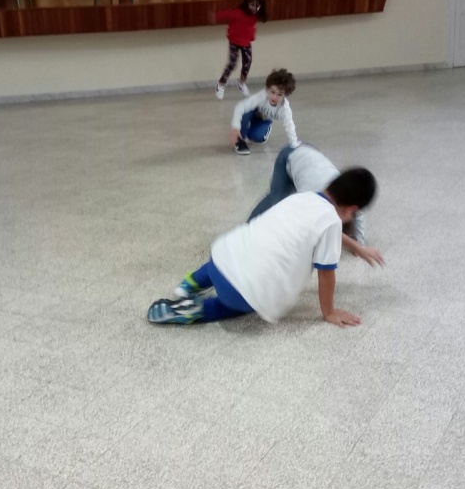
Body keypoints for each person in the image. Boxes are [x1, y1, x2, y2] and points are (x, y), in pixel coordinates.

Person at [147, 167, 377, 327]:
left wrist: (356, 247)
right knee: (249, 301)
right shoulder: (332, 223)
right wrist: (329, 312)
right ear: (352, 210)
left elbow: (323, 228)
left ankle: (191, 283)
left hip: (220, 259)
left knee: (237, 252)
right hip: (238, 292)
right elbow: (326, 274)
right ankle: (194, 310)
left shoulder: (304, 197)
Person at [249, 142, 385, 267]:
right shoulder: (312, 199)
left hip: (309, 157)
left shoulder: (348, 196)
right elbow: (322, 226)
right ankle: (249, 227)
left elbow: (356, 214)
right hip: (289, 156)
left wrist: (359, 242)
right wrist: (356, 247)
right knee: (276, 198)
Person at [213, 0, 267, 100]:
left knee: (247, 62)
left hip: (246, 42)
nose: (254, 8)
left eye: (257, 6)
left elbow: (250, 25)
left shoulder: (256, 15)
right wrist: (213, 16)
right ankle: (221, 84)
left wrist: (251, 35)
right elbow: (223, 14)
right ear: (247, 3)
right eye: (252, 5)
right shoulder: (238, 13)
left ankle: (241, 83)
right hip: (234, 41)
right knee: (232, 64)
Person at [230, 68, 297, 155]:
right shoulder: (262, 96)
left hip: (264, 119)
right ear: (267, 89)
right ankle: (239, 140)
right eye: (272, 92)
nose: (274, 97)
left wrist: (294, 145)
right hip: (252, 113)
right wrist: (236, 128)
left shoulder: (285, 109)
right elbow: (240, 106)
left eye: (280, 94)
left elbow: (289, 125)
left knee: (256, 137)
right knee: (245, 113)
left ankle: (264, 129)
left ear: (285, 95)